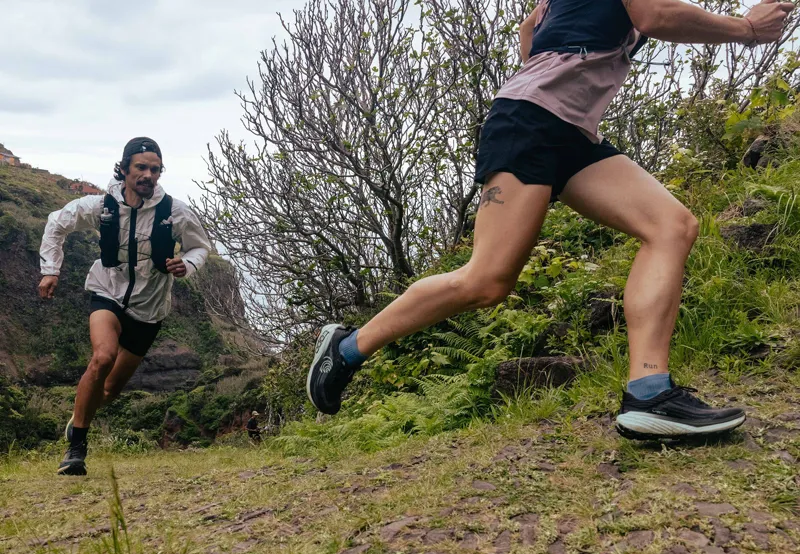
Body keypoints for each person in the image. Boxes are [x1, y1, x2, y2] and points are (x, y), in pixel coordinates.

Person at [307, 0, 794, 439]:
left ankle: (650, 391)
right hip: (530, 121)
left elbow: (529, 28)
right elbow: (654, 16)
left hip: (571, 133)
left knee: (671, 225)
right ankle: (346, 349)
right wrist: (748, 28)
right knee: (487, 282)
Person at [39, 137, 213, 475]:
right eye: (141, 168)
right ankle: (76, 448)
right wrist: (50, 270)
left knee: (110, 390)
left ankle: (80, 416)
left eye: (155, 169)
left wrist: (187, 265)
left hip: (149, 306)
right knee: (102, 357)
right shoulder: (101, 206)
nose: (148, 175)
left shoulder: (174, 212)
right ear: (124, 169)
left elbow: (200, 247)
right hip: (108, 290)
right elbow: (55, 223)